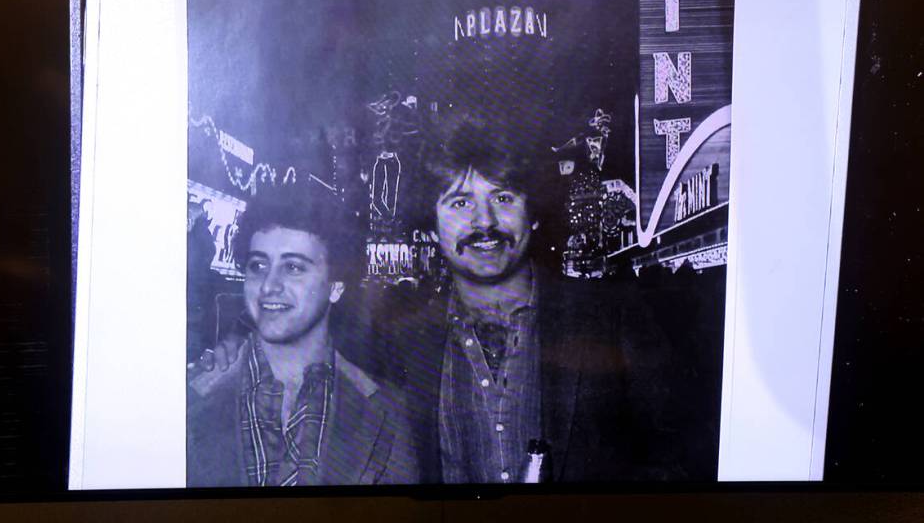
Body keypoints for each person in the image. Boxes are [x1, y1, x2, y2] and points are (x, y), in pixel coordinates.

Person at [385, 116, 679, 484]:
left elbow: (673, 461)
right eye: (460, 203)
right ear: (430, 227)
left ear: (534, 214)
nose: (485, 222)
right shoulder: (401, 346)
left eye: (503, 198)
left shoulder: (614, 319)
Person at [187, 182, 418, 487]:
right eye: (258, 265)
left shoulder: (388, 412)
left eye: (293, 267)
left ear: (336, 286)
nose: (269, 285)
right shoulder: (189, 397)